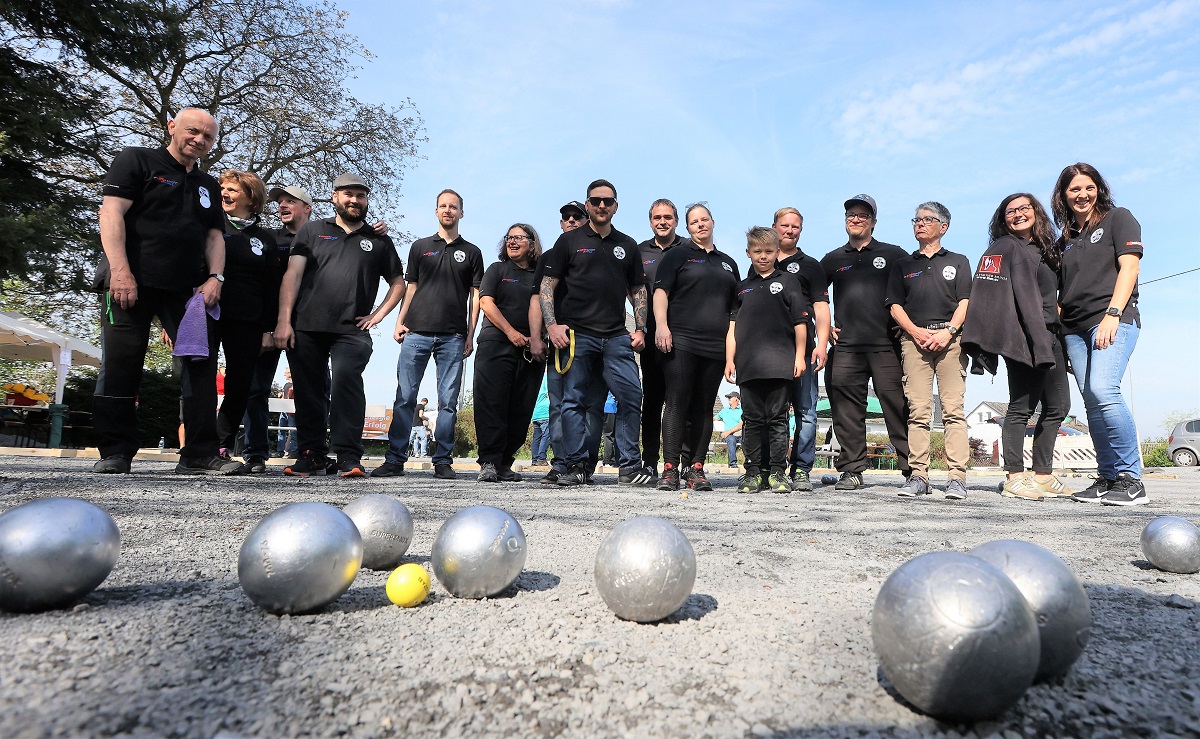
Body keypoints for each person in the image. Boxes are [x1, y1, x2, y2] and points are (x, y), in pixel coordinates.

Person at [91, 107, 239, 475]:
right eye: (193, 131)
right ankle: (116, 451)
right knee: (121, 364)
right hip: (131, 284)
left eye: (207, 137)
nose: (199, 140)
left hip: (185, 294)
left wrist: (215, 278)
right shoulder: (137, 160)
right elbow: (110, 214)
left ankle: (200, 454)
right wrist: (121, 272)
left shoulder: (207, 186)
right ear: (172, 127)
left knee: (200, 365)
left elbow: (214, 236)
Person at [274, 173, 405, 477]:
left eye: (360, 195)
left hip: (352, 330)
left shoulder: (379, 239)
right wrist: (284, 321)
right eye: (347, 194)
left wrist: (379, 314)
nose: (354, 200)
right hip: (306, 325)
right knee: (308, 390)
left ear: (366, 200)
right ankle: (311, 454)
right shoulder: (312, 231)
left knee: (346, 380)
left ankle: (348, 456)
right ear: (334, 197)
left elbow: (398, 283)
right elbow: (292, 276)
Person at [539, 179, 651, 486]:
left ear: (616, 206)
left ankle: (629, 466)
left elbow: (638, 289)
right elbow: (547, 286)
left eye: (608, 201)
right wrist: (551, 325)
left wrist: (641, 328)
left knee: (631, 395)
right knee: (574, 401)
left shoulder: (627, 244)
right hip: (577, 336)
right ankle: (576, 466)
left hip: (616, 336)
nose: (602, 205)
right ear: (587, 205)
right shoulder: (569, 241)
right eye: (596, 200)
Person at [962, 194, 1070, 501]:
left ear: (1036, 212)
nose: (1018, 214)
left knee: (1059, 406)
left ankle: (1043, 475)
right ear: (1003, 218)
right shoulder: (1004, 246)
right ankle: (1014, 476)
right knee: (1021, 407)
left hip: (1050, 335)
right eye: (1011, 211)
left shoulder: (1046, 249)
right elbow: (986, 292)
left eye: (1024, 208)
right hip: (1023, 336)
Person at [1051, 163, 1147, 506]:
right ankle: (1108, 477)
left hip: (1111, 319)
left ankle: (1130, 478)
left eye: (1088, 187)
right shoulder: (1067, 240)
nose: (1082, 195)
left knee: (1103, 390)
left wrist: (1113, 313)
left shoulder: (1118, 218)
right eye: (1074, 189)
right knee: (1091, 401)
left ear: (1099, 189)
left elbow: (1130, 267)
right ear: (1064, 195)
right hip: (1074, 330)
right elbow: (1064, 293)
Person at [373, 189, 484, 480]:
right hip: (417, 333)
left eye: (453, 207)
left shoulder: (472, 252)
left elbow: (476, 298)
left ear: (461, 212)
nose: (448, 210)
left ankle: (443, 461)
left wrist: (470, 334)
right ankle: (395, 460)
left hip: (453, 336)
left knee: (447, 402)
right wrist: (399, 321)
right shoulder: (420, 247)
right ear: (436, 211)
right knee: (404, 398)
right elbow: (410, 288)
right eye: (443, 206)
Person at [819, 194, 912, 491]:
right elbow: (813, 297)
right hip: (846, 347)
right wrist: (823, 328)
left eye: (862, 215)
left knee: (897, 406)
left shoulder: (894, 253)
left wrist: (907, 324)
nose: (856, 219)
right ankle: (852, 470)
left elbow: (915, 287)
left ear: (873, 221)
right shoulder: (833, 259)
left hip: (886, 345)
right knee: (846, 411)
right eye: (851, 215)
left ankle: (913, 470)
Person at [885, 202, 972, 500]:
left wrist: (948, 331)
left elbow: (965, 302)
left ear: (943, 227)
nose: (919, 224)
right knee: (918, 410)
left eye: (927, 219)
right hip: (914, 342)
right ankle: (918, 476)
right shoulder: (903, 265)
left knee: (953, 411)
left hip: (951, 341)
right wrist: (915, 331)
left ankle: (957, 478)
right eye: (916, 219)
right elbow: (895, 306)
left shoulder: (959, 261)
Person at [652, 203, 740, 491]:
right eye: (694, 222)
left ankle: (696, 468)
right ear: (687, 228)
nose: (700, 225)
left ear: (713, 222)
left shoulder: (728, 263)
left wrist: (731, 354)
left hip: (714, 345)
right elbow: (660, 293)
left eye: (704, 220)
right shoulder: (677, 255)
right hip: (682, 340)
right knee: (676, 402)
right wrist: (662, 326)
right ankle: (670, 469)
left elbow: (734, 313)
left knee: (704, 407)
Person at [726, 227, 809, 494]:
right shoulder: (741, 288)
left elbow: (800, 323)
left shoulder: (788, 282)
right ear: (748, 252)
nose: (763, 256)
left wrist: (799, 356)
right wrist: (730, 360)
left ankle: (777, 472)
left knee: (777, 419)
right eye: (757, 251)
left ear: (777, 252)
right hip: (748, 366)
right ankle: (752, 472)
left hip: (780, 364)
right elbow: (732, 328)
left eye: (769, 252)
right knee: (752, 419)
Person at [210, 169, 284, 467]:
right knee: (198, 378)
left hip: (248, 320)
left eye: (232, 189)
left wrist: (268, 328)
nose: (225, 193)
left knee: (240, 383)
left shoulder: (265, 239)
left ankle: (221, 446)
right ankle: (197, 445)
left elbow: (271, 287)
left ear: (251, 198)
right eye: (223, 188)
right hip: (208, 312)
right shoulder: (209, 224)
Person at [239, 185, 312, 472]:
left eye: (290, 201)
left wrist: (375, 230)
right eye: (280, 201)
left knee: (311, 392)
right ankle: (256, 453)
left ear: (307, 207)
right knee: (255, 389)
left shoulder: (321, 238)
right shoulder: (266, 238)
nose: (282, 205)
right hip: (267, 325)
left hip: (307, 327)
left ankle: (309, 451)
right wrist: (263, 326)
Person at [527, 200, 599, 485]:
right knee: (558, 405)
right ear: (560, 223)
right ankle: (559, 463)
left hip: (593, 341)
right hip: (559, 342)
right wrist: (538, 336)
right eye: (565, 217)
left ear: (586, 219)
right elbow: (537, 298)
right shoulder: (550, 256)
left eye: (576, 216)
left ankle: (584, 465)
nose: (570, 220)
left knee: (589, 405)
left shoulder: (597, 253)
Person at [473, 223, 546, 482]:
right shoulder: (497, 269)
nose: (512, 242)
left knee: (522, 407)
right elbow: (485, 303)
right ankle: (489, 462)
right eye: (509, 238)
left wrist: (538, 339)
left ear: (532, 243)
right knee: (492, 403)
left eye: (518, 238)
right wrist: (511, 332)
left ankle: (505, 463)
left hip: (532, 350)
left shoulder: (541, 275)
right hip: (497, 344)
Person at [773, 207, 831, 492]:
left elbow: (821, 307)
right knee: (775, 412)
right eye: (784, 225)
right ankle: (775, 469)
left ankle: (802, 470)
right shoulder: (762, 263)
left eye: (795, 227)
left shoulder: (811, 265)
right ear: (775, 227)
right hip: (770, 351)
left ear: (801, 231)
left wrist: (822, 344)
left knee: (806, 412)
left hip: (806, 348)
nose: (789, 230)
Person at [637, 198, 690, 476]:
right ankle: (649, 461)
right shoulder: (639, 251)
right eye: (657, 217)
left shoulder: (688, 249)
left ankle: (682, 462)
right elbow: (631, 289)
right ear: (650, 221)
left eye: (668, 217)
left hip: (682, 335)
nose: (662, 221)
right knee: (653, 399)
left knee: (680, 399)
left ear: (676, 221)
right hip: (649, 336)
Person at [715, 392, 743, 468]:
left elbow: (741, 425)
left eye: (730, 397)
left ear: (736, 399)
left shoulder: (742, 410)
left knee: (747, 440)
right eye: (728, 397)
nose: (728, 399)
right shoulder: (725, 410)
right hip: (729, 436)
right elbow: (715, 418)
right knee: (731, 440)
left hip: (741, 434)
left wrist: (728, 432)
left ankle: (750, 462)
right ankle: (733, 463)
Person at [275, 367, 297, 457]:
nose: (284, 374)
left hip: (292, 411)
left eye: (286, 373)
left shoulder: (297, 384)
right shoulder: (286, 385)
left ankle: (293, 451)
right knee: (281, 431)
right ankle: (280, 451)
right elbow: (284, 397)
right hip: (284, 410)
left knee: (293, 432)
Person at [529, 377, 550, 466]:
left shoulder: (535, 380)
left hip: (535, 413)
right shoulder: (547, 378)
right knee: (547, 435)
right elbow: (549, 394)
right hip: (545, 412)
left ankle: (534, 460)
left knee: (536, 438)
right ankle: (541, 458)